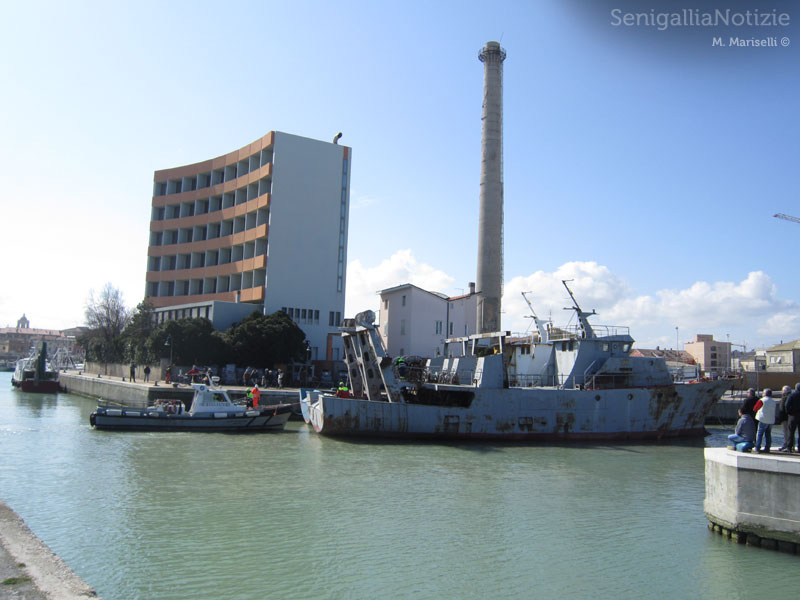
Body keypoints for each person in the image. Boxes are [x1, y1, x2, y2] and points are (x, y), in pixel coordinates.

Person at [753, 388, 777, 453]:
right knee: (768, 434)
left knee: (759, 434)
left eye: (763, 393)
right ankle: (767, 447)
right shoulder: (773, 401)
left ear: (765, 394)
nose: (762, 394)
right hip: (771, 420)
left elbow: (755, 408)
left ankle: (757, 447)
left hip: (763, 419)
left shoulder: (762, 400)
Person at [784, 383, 800, 452]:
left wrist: (789, 412)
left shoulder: (792, 395)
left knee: (791, 432)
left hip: (793, 415)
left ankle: (789, 447)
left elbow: (787, 405)